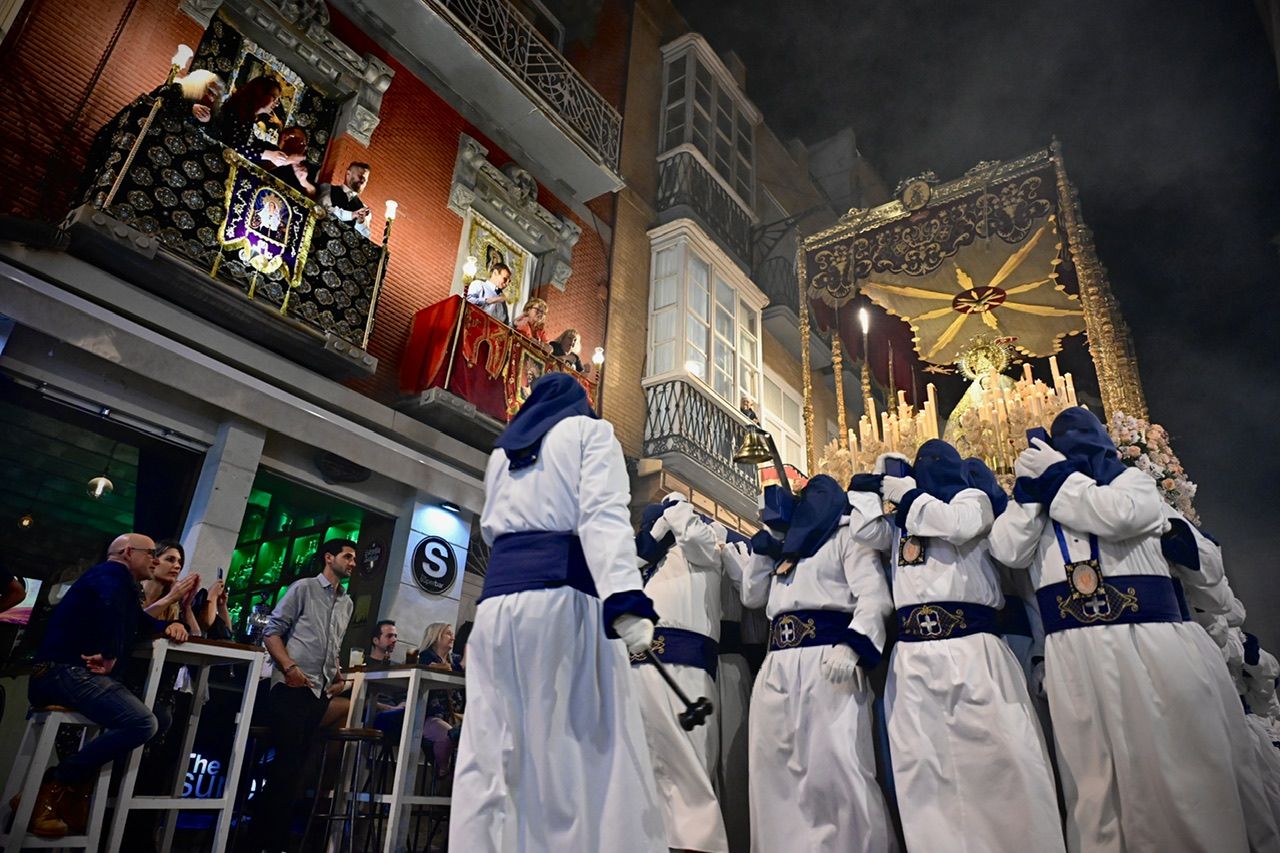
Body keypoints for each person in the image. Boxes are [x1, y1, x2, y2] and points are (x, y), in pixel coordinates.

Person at [989, 407, 1252, 851]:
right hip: (1075, 654)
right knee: (1095, 785)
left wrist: (1057, 475)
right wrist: (1032, 495)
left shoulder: (1133, 483)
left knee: (1174, 770)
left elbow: (1121, 515)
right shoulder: (1041, 507)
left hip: (1147, 646)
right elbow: (1007, 548)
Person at [449, 372, 665, 852]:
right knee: (566, 755)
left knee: (487, 756)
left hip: (494, 612)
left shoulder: (500, 454)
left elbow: (492, 532)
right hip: (560, 604)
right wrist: (626, 598)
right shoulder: (591, 433)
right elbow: (603, 516)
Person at [851, 442, 1064, 853]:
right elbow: (864, 531)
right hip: (913, 656)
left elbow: (955, 525)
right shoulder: (901, 523)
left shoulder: (974, 500)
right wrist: (868, 487)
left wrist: (905, 492)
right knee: (925, 770)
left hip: (973, 651)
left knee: (1001, 760)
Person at [741, 475, 897, 852]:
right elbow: (751, 596)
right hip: (777, 663)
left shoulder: (846, 536)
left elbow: (875, 598)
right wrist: (767, 548)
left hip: (828, 663)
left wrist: (853, 645)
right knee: (773, 773)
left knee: (839, 771)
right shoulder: (786, 549)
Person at [24, 533, 188, 838]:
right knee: (142, 722)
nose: (155, 559)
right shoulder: (112, 575)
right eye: (151, 553)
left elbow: (140, 622)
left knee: (142, 720)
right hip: (62, 672)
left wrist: (172, 624)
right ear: (127, 552)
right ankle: (55, 785)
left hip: (58, 673)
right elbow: (111, 608)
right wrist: (111, 654)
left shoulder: (122, 585)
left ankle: (63, 795)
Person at [632, 494, 733, 853]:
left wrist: (678, 508)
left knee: (689, 770)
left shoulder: (704, 541)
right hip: (642, 667)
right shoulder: (652, 557)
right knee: (646, 769)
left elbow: (698, 542)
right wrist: (654, 534)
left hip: (685, 668)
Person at [248, 538, 357, 853]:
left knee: (297, 770)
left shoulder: (347, 603)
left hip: (318, 691)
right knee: (286, 766)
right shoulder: (304, 588)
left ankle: (271, 839)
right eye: (347, 557)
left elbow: (331, 644)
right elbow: (272, 631)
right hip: (291, 687)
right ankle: (261, 841)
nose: (352, 563)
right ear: (328, 558)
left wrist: (335, 674)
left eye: (354, 559)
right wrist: (289, 667)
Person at [212, 75, 291, 165]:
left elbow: (253, 142)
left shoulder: (248, 117)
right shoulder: (235, 110)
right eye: (274, 97)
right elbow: (235, 146)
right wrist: (269, 155)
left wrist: (278, 151)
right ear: (260, 92)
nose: (276, 104)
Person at [141, 540, 202, 638]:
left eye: (180, 562)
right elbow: (136, 624)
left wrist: (186, 607)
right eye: (170, 559)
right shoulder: (133, 590)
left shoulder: (172, 604)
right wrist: (171, 597)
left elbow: (196, 637)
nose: (177, 566)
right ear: (154, 560)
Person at [319, 161, 372, 238]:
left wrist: (360, 222)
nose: (363, 181)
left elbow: (365, 237)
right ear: (348, 174)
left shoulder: (364, 209)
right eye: (361, 177)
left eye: (365, 180)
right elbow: (321, 210)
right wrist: (352, 215)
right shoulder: (327, 189)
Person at [267, 127, 315, 197]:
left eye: (301, 142)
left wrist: (304, 182)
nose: (295, 144)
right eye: (290, 136)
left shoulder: (307, 165)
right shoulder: (272, 155)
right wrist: (286, 160)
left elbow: (313, 195)